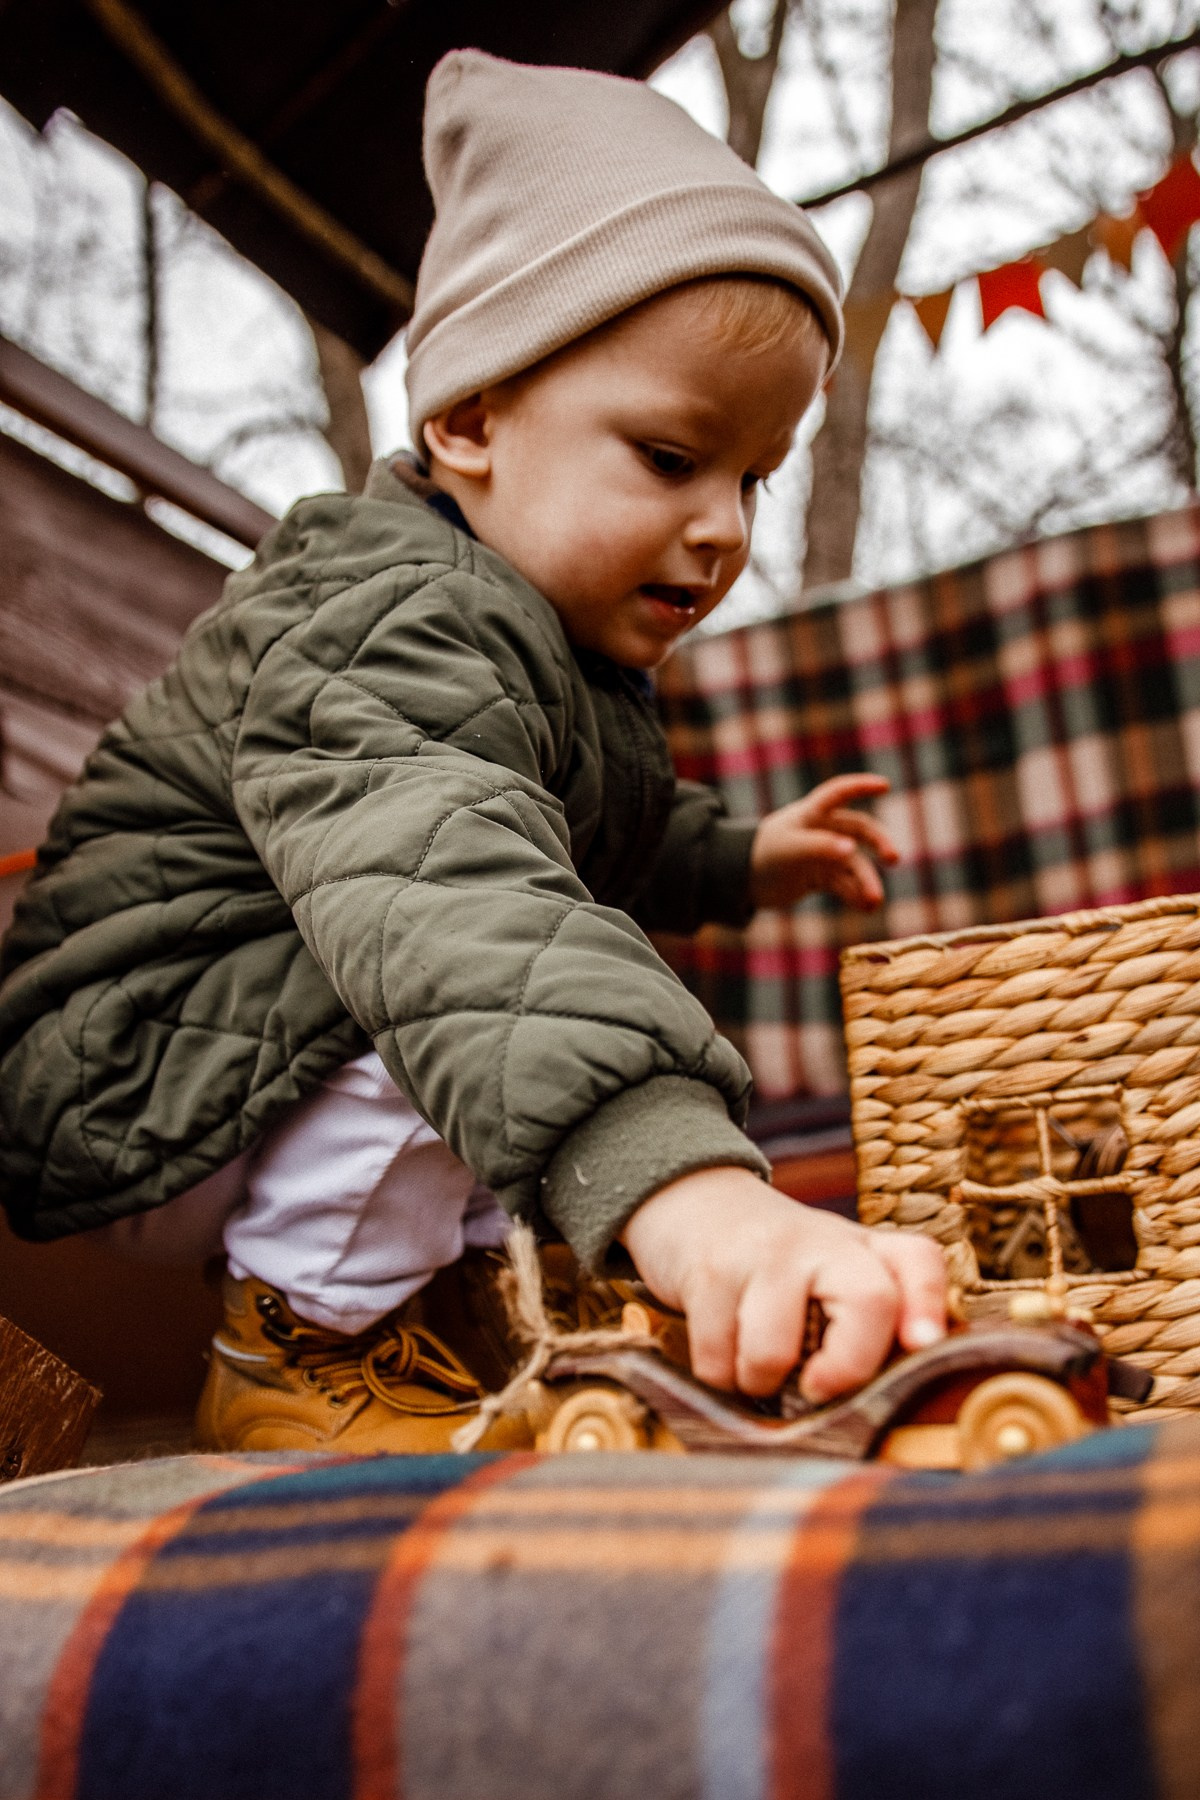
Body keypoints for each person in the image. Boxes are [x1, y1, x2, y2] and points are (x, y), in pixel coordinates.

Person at [0, 50, 946, 1453]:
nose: (727, 529)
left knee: (509, 984)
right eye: (672, 456)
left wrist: (744, 856)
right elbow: (452, 882)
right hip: (127, 1072)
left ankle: (452, 1309)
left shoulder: (556, 652)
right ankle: (306, 1344)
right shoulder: (383, 608)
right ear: (469, 421)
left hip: (240, 1063)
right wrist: (687, 1186)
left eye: (754, 477)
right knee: (472, 964)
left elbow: (606, 828)